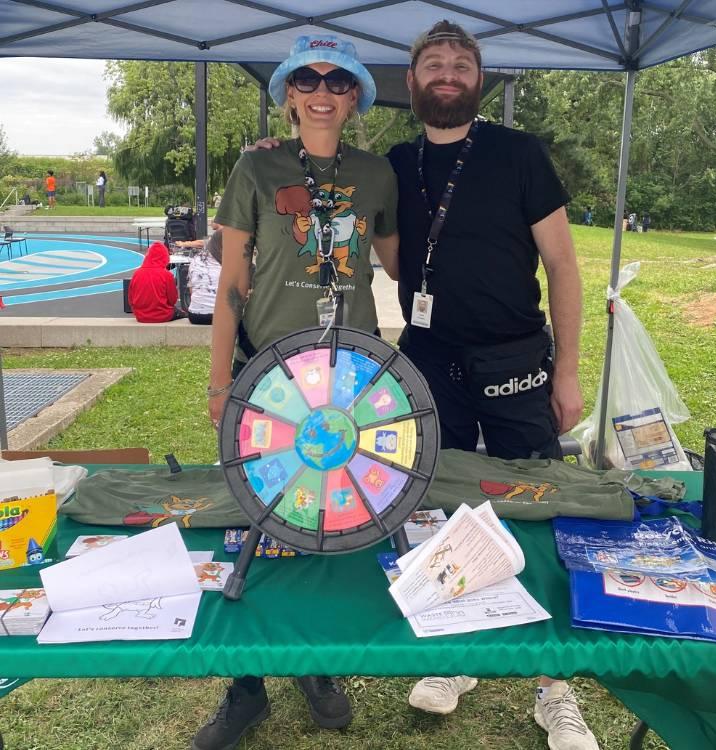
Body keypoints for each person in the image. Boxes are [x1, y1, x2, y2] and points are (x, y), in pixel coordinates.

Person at [385, 21, 596, 750]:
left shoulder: (518, 154)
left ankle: (554, 685)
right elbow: (362, 226)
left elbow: (564, 268)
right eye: (434, 63)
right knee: (439, 505)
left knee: (538, 505)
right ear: (412, 81)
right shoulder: (396, 160)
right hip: (428, 355)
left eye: (461, 64)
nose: (448, 73)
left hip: (515, 361)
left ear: (480, 80)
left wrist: (565, 372)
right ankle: (456, 653)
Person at [197, 33, 399, 750]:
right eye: (307, 79)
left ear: (354, 98)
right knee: (259, 521)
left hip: (351, 380)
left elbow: (399, 259)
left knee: (328, 525)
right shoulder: (254, 170)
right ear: (288, 94)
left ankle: (316, 666)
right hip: (269, 377)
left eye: (337, 80)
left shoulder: (377, 174)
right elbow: (230, 288)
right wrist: (222, 382)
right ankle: (246, 687)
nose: (322, 91)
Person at [127, 241, 187, 323]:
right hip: (163, 315)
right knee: (184, 314)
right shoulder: (167, 275)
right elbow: (172, 300)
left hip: (141, 316)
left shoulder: (137, 274)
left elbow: (131, 299)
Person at [176, 224, 223, 325]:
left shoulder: (195, 261)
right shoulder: (226, 264)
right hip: (220, 315)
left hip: (195, 315)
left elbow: (192, 290)